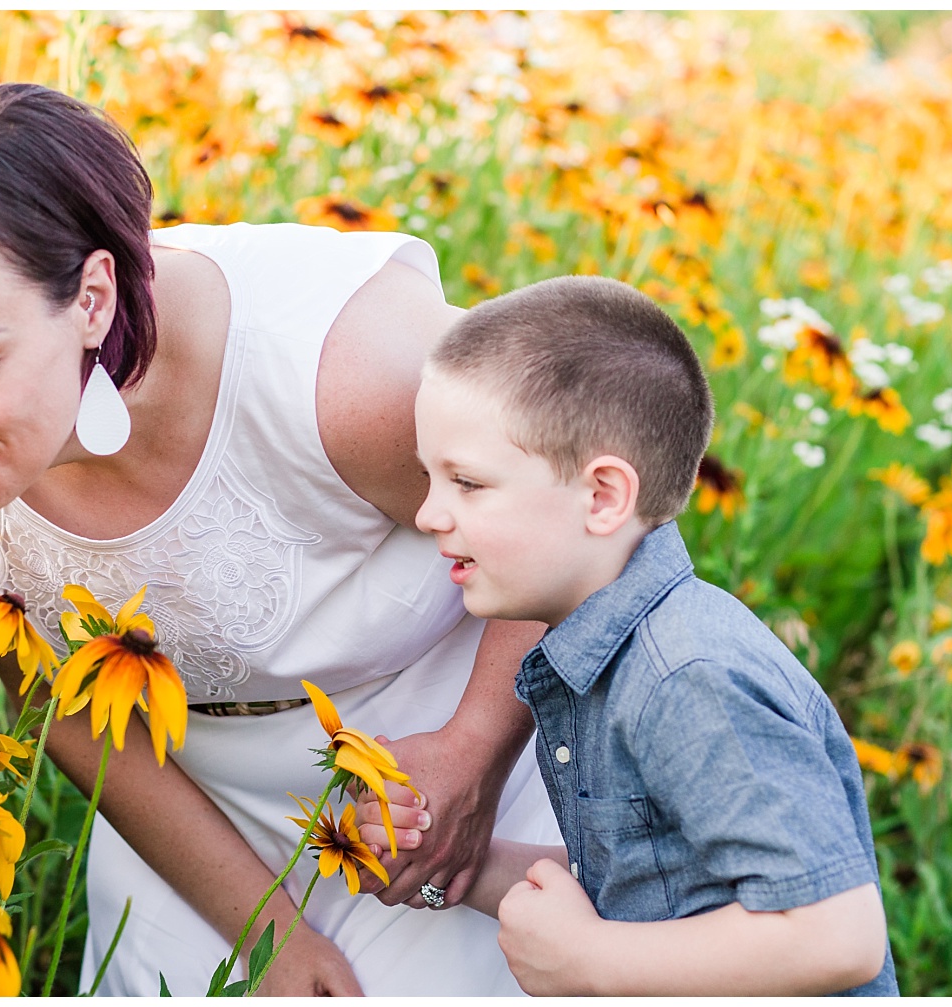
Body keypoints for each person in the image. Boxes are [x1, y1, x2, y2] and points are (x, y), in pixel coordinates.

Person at [0, 82, 562, 996]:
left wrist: (474, 752)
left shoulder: (352, 377)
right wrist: (266, 935)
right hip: (185, 819)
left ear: (92, 297)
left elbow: (580, 517)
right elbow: (63, 709)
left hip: (449, 780)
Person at [357, 276, 899, 995]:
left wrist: (591, 963)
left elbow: (838, 933)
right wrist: (446, 856)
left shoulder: (687, 676)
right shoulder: (595, 654)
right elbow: (648, 881)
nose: (428, 514)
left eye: (468, 483)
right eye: (430, 478)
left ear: (604, 496)